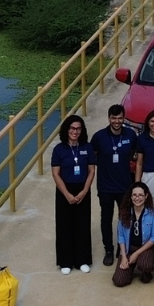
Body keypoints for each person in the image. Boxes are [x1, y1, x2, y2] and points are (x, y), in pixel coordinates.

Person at [89, 104, 140, 267]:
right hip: (105, 186)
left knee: (124, 218)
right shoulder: (99, 137)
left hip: (124, 185)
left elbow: (135, 154)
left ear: (123, 118)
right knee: (106, 217)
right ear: (109, 118)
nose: (117, 121)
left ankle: (121, 246)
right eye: (113, 118)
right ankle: (109, 250)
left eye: (119, 118)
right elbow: (92, 156)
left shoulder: (130, 135)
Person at [51, 114, 96, 274]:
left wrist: (84, 190)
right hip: (65, 190)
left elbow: (91, 171)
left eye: (78, 129)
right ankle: (65, 262)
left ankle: (82, 260)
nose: (75, 132)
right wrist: (67, 194)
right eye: (72, 128)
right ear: (66, 129)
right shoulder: (59, 149)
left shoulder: (87, 148)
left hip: (82, 188)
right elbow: (56, 174)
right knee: (64, 225)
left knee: (82, 224)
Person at [111, 182, 154, 286]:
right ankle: (130, 269)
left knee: (145, 265)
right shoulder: (124, 213)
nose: (137, 198)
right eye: (134, 195)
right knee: (119, 281)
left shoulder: (153, 213)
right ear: (130, 196)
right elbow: (121, 236)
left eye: (141, 195)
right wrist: (124, 256)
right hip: (129, 248)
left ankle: (145, 270)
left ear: (146, 196)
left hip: (146, 247)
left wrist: (137, 254)